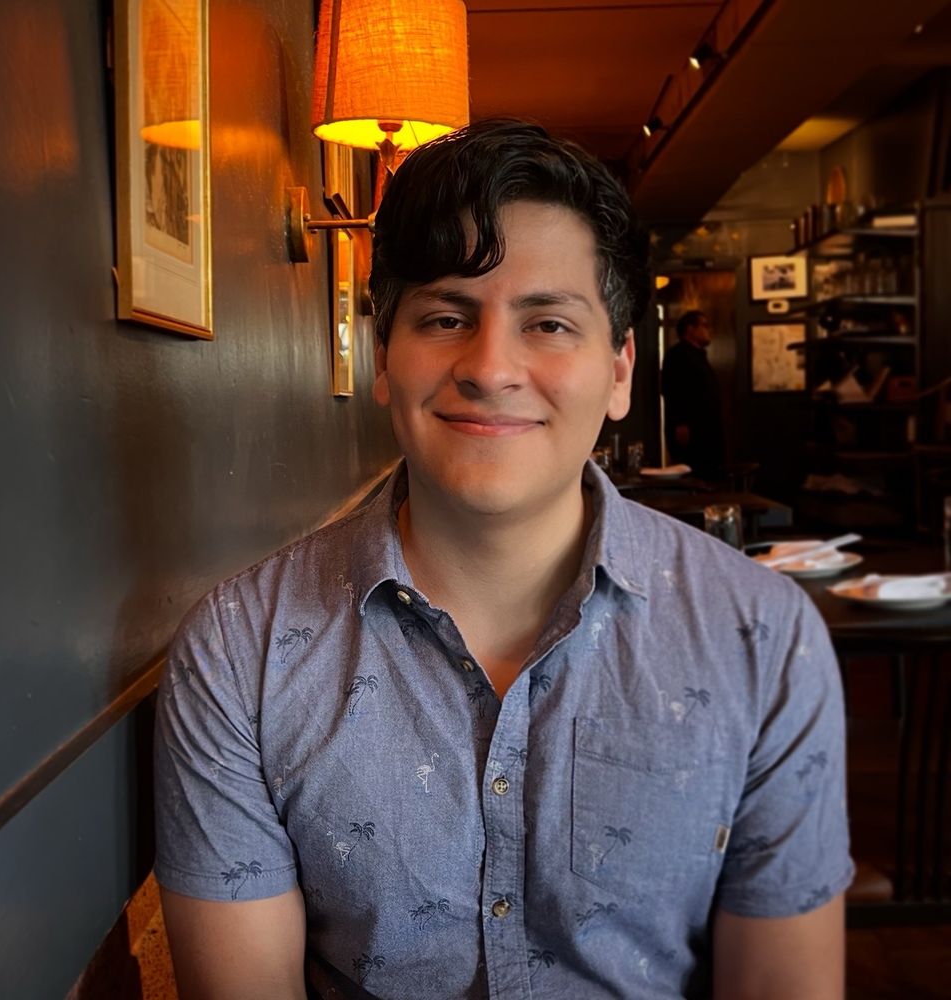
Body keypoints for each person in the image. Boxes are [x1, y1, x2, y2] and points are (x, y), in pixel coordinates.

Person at [154, 120, 852, 999]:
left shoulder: (762, 637)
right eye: (446, 317)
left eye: (549, 322)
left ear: (621, 368)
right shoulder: (238, 650)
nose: (490, 366)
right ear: (384, 356)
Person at [661, 309, 725, 480]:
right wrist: (680, 422)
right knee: (694, 475)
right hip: (691, 432)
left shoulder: (698, 356)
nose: (708, 330)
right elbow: (672, 389)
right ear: (690, 329)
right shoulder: (678, 355)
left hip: (706, 430)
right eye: (704, 326)